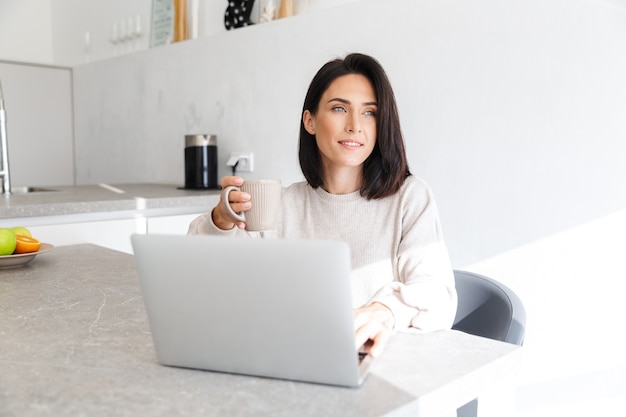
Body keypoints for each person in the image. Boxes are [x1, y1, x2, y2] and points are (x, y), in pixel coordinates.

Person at [188, 53, 457, 358]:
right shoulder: (282, 204)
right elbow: (209, 277)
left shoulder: (409, 197)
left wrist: (382, 311)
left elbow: (438, 295)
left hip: (382, 368)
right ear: (310, 121)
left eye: (370, 112)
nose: (355, 125)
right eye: (340, 108)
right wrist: (221, 221)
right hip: (296, 360)